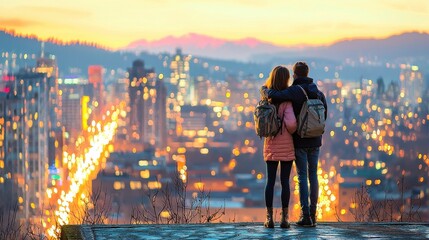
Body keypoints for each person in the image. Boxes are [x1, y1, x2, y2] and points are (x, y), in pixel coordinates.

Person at [261, 61, 327, 227]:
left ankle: (304, 216)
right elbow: (324, 112)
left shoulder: (295, 91)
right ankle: (313, 214)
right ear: (307, 73)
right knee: (314, 175)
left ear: (295, 75)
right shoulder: (318, 91)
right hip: (316, 139)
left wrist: (265, 90)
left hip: (299, 140)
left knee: (301, 176)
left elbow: (276, 96)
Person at [262, 66, 297, 229]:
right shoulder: (287, 101)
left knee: (270, 182)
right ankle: (284, 219)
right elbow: (291, 124)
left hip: (270, 144)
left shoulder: (266, 98)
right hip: (286, 147)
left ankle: (269, 219)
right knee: (285, 182)